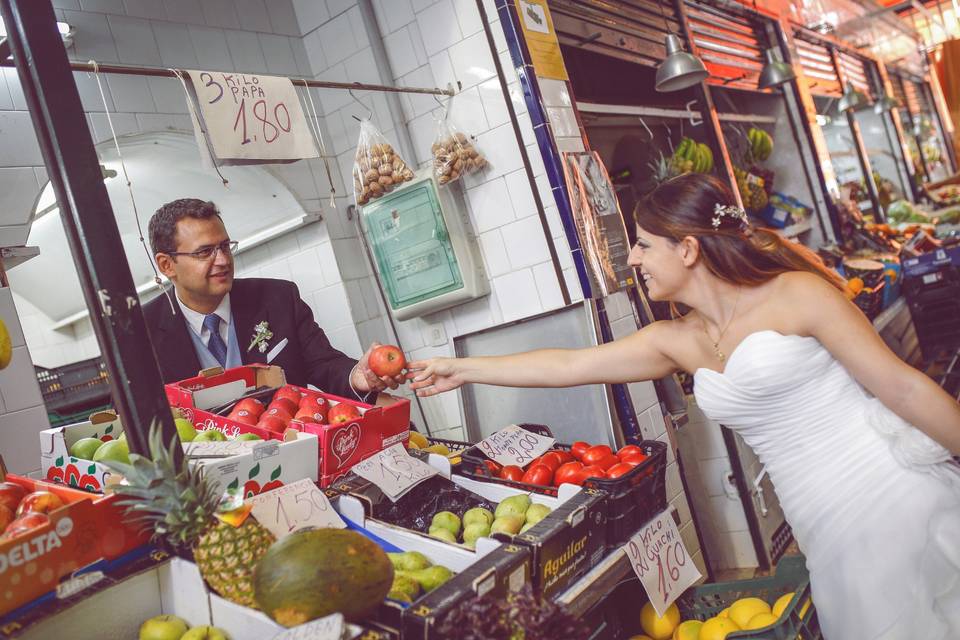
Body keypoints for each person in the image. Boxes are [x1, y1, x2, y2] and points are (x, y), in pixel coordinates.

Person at [407, 174, 960, 639]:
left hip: (886, 492)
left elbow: (904, 388)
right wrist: (465, 370)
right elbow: (569, 365)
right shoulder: (676, 340)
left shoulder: (797, 295)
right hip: (819, 522)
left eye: (645, 243)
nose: (634, 257)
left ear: (688, 248)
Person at [142, 198, 403, 399]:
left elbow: (324, 364)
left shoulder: (278, 298)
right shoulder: (141, 332)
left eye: (224, 246)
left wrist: (357, 375)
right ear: (167, 265)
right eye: (205, 252)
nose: (222, 260)